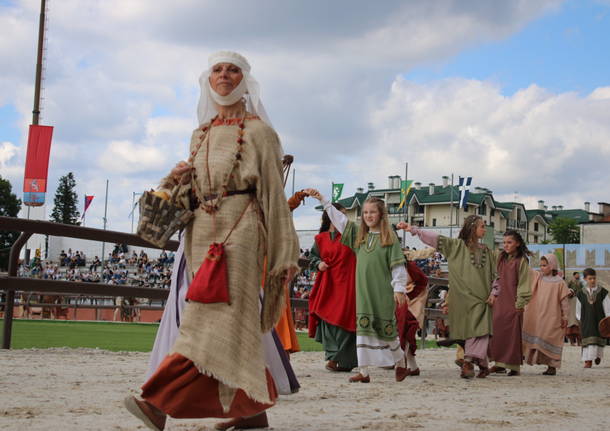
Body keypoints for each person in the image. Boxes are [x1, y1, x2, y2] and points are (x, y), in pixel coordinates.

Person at [124, 51, 300, 431]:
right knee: (227, 326)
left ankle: (158, 404)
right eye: (217, 69)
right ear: (208, 79)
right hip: (199, 236)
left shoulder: (260, 133)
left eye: (232, 69)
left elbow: (272, 193)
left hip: (241, 232)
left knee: (208, 323)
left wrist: (284, 252)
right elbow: (193, 195)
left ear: (244, 80)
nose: (224, 75)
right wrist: (176, 180)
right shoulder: (199, 134)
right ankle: (252, 415)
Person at [308, 189, 412, 384]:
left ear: (381, 214)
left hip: (381, 292)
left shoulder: (389, 239)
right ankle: (363, 372)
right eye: (365, 213)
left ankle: (400, 361)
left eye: (372, 212)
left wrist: (399, 288)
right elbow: (340, 221)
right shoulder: (358, 237)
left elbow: (398, 266)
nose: (368, 216)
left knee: (386, 331)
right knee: (362, 329)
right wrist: (324, 201)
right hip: (362, 293)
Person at [398, 215, 497, 379]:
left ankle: (470, 362)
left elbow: (495, 275)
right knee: (473, 333)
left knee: (481, 332)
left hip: (482, 299)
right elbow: (436, 239)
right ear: (472, 229)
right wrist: (413, 230)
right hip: (461, 300)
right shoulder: (455, 246)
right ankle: (474, 362)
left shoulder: (487, 251)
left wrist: (494, 292)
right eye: (482, 226)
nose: (484, 229)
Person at [307, 203, 358, 372]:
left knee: (346, 320)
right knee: (327, 320)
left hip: (348, 284)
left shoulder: (351, 236)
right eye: (340, 214)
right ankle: (334, 358)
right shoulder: (320, 239)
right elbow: (312, 257)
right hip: (327, 285)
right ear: (330, 216)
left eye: (345, 215)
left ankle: (343, 361)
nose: (344, 218)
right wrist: (318, 263)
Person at [489, 230, 531, 376]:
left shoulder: (522, 261)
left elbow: (524, 283)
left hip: (513, 301)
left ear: (517, 243)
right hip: (499, 301)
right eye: (504, 242)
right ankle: (499, 364)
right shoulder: (500, 257)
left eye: (509, 242)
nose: (506, 245)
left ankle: (513, 367)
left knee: (513, 335)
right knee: (498, 332)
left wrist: (520, 303)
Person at [522, 254, 571, 375]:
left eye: (544, 265)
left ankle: (552, 366)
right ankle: (538, 361)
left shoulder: (560, 283)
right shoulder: (539, 278)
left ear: (552, 265)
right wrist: (521, 258)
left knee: (552, 339)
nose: (542, 268)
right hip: (539, 316)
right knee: (539, 337)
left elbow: (564, 302)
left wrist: (565, 316)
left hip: (553, 317)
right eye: (540, 265)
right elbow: (528, 272)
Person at [576, 268, 610, 368]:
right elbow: (578, 309)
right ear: (585, 279)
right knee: (587, 341)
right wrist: (580, 320)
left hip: (599, 320)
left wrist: (607, 320)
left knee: (598, 340)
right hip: (586, 321)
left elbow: (607, 307)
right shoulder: (580, 293)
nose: (592, 280)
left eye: (594, 278)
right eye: (590, 278)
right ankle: (588, 360)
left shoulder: (603, 292)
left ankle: (597, 356)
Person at [566, 271, 584, 346]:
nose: (578, 275)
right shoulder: (570, 281)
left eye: (578, 275)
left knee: (578, 322)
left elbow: (583, 291)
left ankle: (579, 341)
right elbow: (566, 289)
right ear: (574, 275)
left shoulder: (580, 283)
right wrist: (570, 293)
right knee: (571, 322)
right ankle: (572, 342)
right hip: (571, 301)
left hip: (578, 301)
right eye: (577, 274)